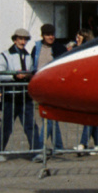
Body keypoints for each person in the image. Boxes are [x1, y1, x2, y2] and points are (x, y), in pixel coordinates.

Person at [0, 28, 41, 161]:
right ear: (15, 40)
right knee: (7, 126)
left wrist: (28, 76)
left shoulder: (28, 56)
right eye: (20, 39)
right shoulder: (5, 55)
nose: (23, 42)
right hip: (11, 95)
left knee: (30, 125)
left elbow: (31, 71)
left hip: (24, 95)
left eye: (25, 39)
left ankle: (36, 151)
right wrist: (14, 76)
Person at [32, 24, 68, 154]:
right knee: (50, 116)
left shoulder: (60, 48)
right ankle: (58, 146)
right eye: (48, 35)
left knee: (48, 116)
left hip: (54, 87)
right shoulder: (36, 48)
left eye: (52, 34)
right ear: (42, 35)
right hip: (41, 86)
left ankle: (39, 149)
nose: (51, 37)